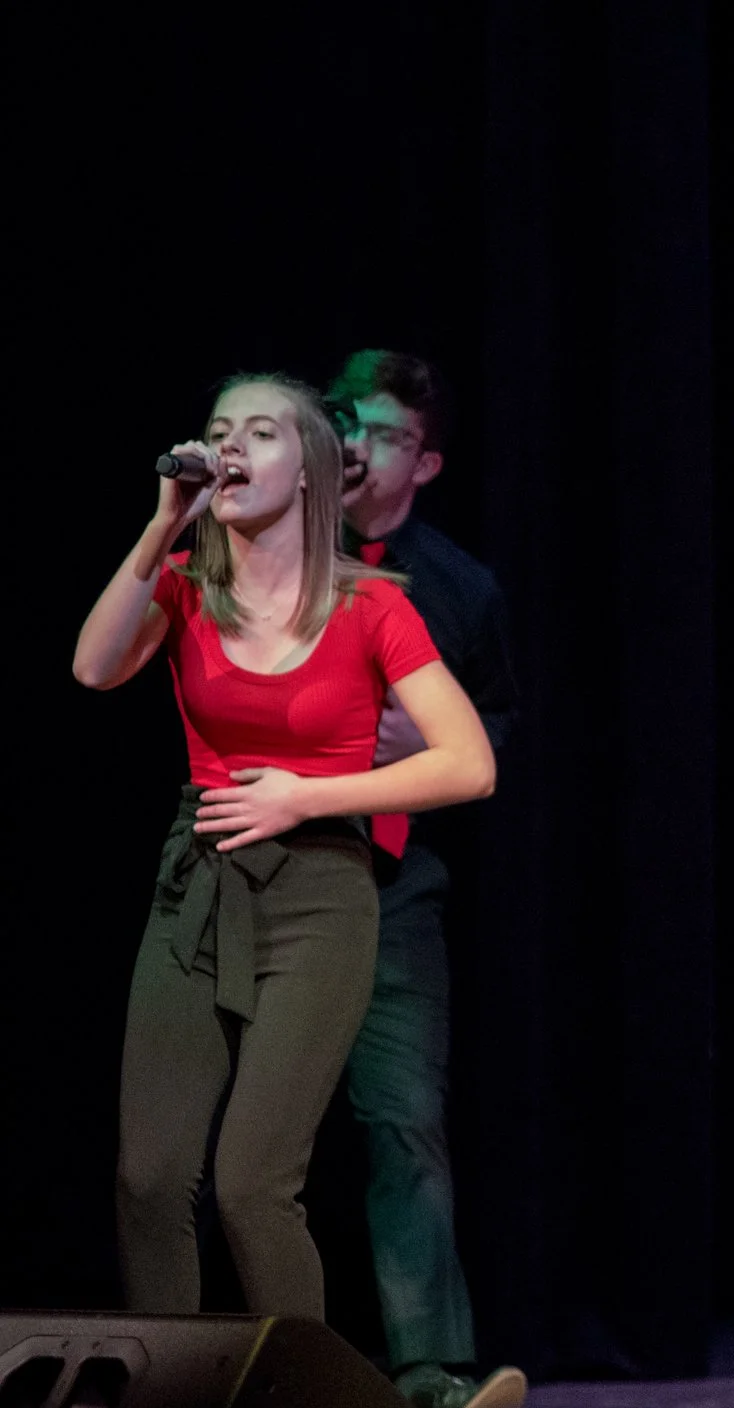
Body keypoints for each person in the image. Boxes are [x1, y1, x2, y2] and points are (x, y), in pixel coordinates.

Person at [74, 373, 496, 1334]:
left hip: (320, 890)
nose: (228, 447)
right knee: (149, 1180)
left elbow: (469, 764)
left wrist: (310, 795)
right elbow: (93, 667)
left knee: (252, 1184)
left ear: (307, 470)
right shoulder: (183, 588)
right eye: (219, 428)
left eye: (260, 433)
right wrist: (161, 529)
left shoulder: (373, 608)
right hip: (200, 881)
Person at [329, 350, 527, 1408]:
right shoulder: (267, 550)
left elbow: (498, 726)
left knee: (404, 1116)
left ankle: (425, 1375)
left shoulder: (456, 585)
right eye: (347, 420)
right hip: (256, 869)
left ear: (427, 461)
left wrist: (436, 746)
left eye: (388, 432)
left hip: (391, 883)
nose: (361, 445)